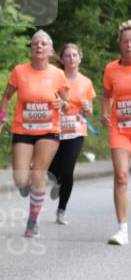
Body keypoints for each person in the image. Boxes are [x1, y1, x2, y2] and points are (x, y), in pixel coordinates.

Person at [0, 30, 69, 238]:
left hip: (49, 130)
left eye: (43, 44)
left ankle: (32, 223)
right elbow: (6, 96)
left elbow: (67, 103)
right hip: (23, 129)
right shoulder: (19, 71)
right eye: (35, 43)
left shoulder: (58, 74)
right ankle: (28, 185)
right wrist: (2, 117)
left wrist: (62, 104)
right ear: (31, 49)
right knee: (20, 179)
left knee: (38, 174)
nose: (39, 46)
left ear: (51, 50)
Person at [49, 43, 96, 224]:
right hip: (55, 128)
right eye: (67, 55)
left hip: (76, 130)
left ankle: (61, 210)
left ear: (80, 58)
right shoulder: (55, 79)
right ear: (62, 59)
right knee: (52, 168)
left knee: (68, 170)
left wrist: (87, 108)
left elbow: (89, 111)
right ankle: (58, 181)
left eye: (74, 55)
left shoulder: (86, 82)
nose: (71, 58)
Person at [103, 20, 131, 246]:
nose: (129, 44)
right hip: (120, 129)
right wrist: (105, 112)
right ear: (119, 44)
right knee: (121, 176)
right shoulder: (111, 68)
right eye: (125, 41)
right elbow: (106, 94)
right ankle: (122, 229)